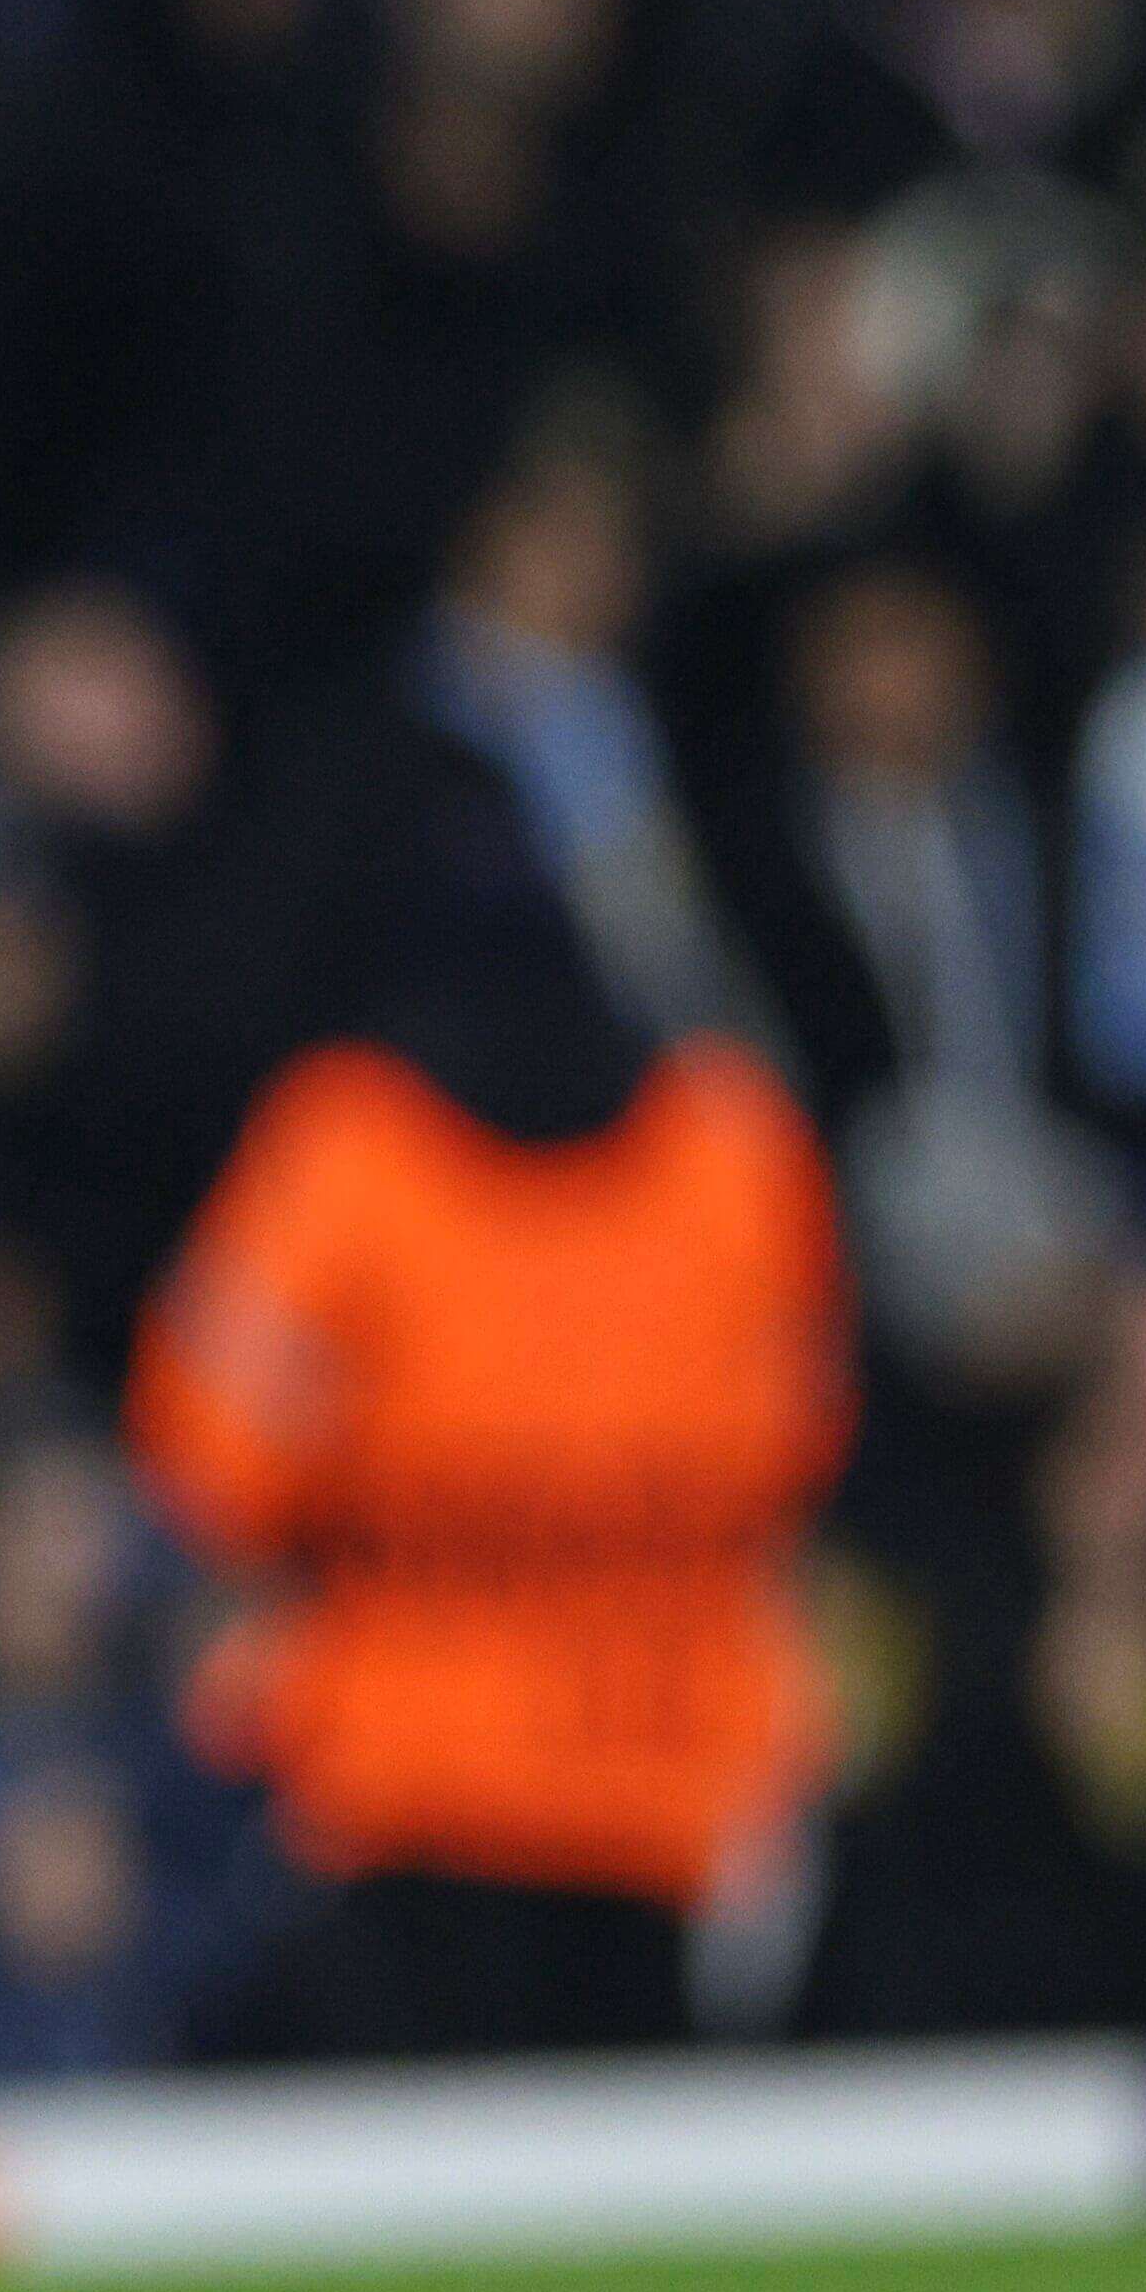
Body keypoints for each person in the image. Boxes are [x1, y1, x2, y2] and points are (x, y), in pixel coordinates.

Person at [130, 798, 845, 2058]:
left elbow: (208, 1450)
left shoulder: (345, 1145)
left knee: (426, 2170)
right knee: (648, 2184)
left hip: (410, 1752)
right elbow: (801, 1432)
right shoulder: (729, 1137)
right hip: (673, 1741)